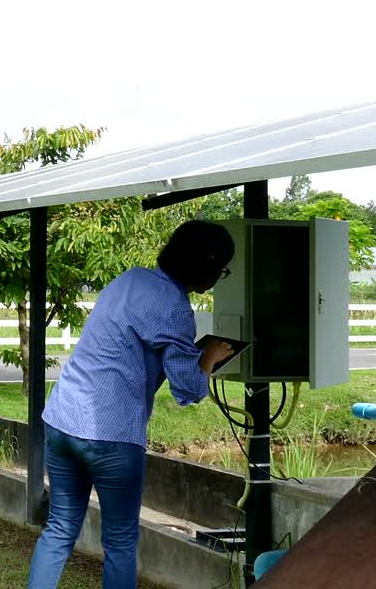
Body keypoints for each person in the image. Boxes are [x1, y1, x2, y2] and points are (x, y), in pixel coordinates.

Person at [25, 220, 236, 589]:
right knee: (120, 543)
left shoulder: (130, 279)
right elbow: (187, 389)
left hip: (62, 418)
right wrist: (211, 356)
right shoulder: (175, 308)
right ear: (205, 267)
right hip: (112, 433)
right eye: (221, 269)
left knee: (59, 527)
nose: (220, 277)